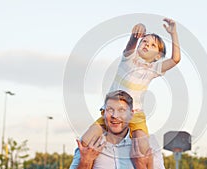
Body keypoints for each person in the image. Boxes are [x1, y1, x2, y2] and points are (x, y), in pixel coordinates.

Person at [82, 17, 181, 156]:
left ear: (158, 56)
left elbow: (175, 59)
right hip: (112, 112)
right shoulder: (128, 58)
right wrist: (137, 31)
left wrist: (173, 33)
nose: (146, 45)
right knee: (85, 141)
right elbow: (131, 44)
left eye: (153, 45)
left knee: (143, 149)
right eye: (144, 41)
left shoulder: (154, 68)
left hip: (135, 114)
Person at [69, 90, 165, 169]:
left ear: (131, 114)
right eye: (110, 110)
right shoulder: (90, 146)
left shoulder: (149, 144)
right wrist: (86, 162)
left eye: (121, 110)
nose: (115, 116)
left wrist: (141, 166)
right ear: (104, 113)